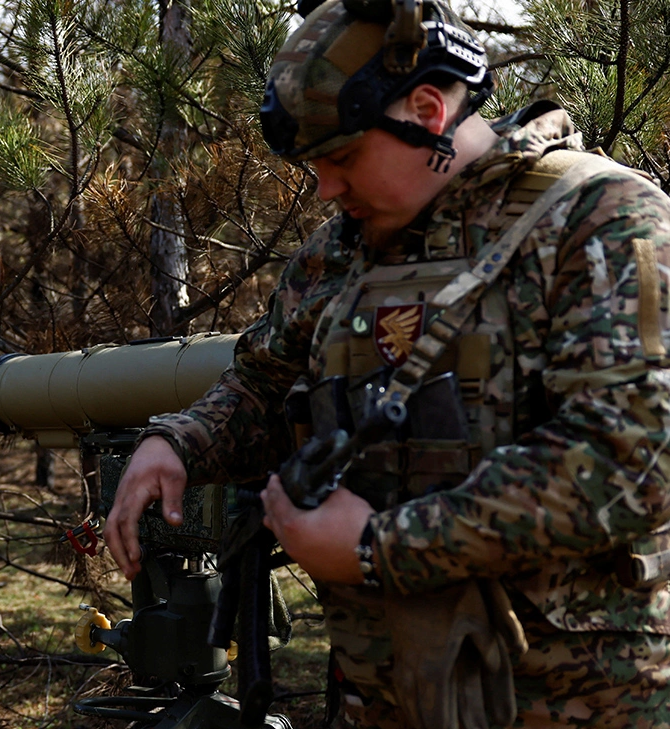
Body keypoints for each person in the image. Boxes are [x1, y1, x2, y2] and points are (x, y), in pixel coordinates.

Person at [106, 0, 670, 727]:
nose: (326, 189)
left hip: (578, 702)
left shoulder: (601, 219)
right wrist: (178, 442)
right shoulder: (340, 249)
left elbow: (632, 458)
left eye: (340, 158)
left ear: (428, 109)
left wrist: (379, 548)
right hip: (385, 693)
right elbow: (265, 382)